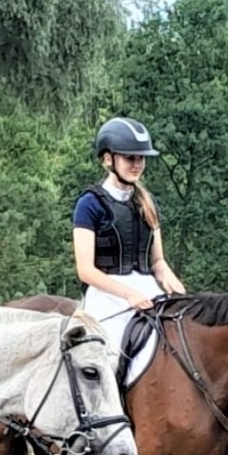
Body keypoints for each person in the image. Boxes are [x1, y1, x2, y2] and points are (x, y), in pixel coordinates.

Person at [71, 117, 186, 364]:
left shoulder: (148, 202)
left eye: (141, 158)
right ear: (108, 159)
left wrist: (176, 286)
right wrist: (128, 295)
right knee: (108, 360)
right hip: (106, 295)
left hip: (147, 289)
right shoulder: (89, 204)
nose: (137, 165)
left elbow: (158, 262)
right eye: (130, 158)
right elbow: (85, 270)